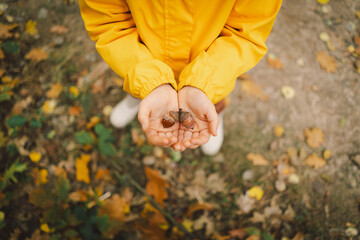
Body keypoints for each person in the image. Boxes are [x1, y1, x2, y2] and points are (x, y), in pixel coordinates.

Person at [79, 0, 282, 155]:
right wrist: (150, 82)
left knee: (212, 100)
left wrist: (203, 84)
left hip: (213, 68)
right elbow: (108, 19)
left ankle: (212, 116)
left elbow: (246, 32)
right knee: (140, 89)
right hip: (142, 57)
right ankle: (137, 100)